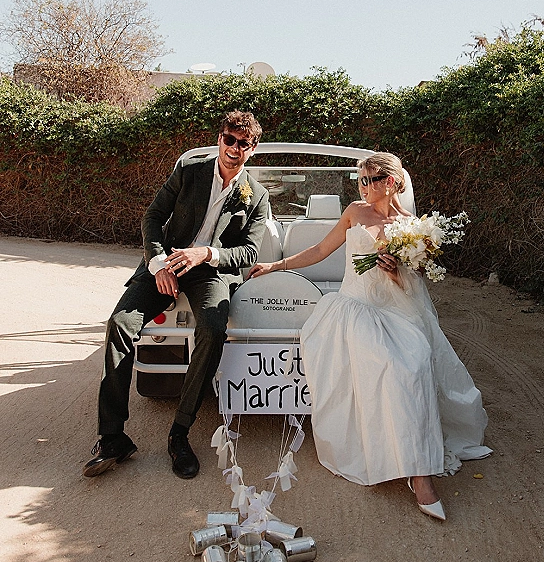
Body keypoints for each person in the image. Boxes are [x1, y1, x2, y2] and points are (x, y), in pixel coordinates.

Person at [249, 152, 492, 520]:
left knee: (414, 365)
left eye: (372, 179)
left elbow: (413, 284)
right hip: (355, 309)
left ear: (392, 182)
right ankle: (414, 471)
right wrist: (275, 264)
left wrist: (395, 272)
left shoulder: (414, 226)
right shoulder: (354, 212)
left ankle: (418, 472)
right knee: (392, 367)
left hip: (396, 311)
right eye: (361, 179)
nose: (364, 186)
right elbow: (320, 249)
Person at [84, 111, 268, 480]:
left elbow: (249, 252)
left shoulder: (258, 196)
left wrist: (207, 254)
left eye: (242, 143)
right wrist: (158, 265)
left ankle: (179, 433)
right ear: (220, 138)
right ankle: (112, 436)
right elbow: (152, 218)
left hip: (209, 273)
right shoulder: (190, 171)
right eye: (228, 139)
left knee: (213, 329)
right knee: (120, 324)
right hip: (166, 263)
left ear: (253, 148)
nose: (233, 148)